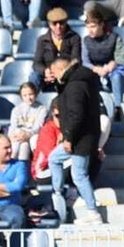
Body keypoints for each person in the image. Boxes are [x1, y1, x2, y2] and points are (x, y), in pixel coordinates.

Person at [47, 57, 104, 225]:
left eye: (54, 72)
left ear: (60, 70)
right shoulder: (76, 80)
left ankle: (93, 213)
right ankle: (58, 193)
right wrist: (56, 83)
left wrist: (69, 138)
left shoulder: (75, 86)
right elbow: (65, 100)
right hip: (83, 136)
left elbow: (76, 115)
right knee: (54, 158)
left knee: (79, 175)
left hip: (81, 139)